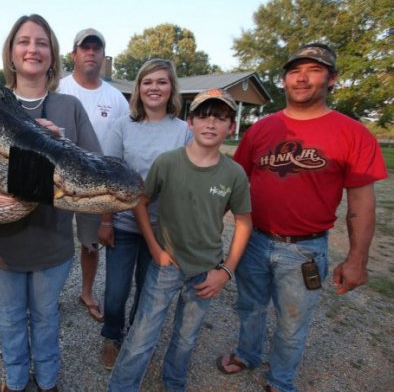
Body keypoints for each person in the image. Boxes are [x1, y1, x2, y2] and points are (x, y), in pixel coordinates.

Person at [216, 43, 388, 392]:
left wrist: (357, 259)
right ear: (284, 80)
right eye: (295, 71)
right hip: (254, 241)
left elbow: (361, 203)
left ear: (333, 79)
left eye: (313, 70)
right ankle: (247, 353)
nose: (302, 78)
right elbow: (233, 185)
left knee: (292, 323)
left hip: (305, 251)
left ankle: (280, 380)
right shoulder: (262, 129)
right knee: (249, 307)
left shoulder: (352, 133)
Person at [0, 14, 101, 392]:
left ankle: (47, 382)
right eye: (24, 41)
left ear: (53, 54)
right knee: (10, 318)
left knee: (46, 316)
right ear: (11, 54)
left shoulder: (69, 109)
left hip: (51, 242)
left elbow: (93, 171)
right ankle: (15, 382)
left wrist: (59, 144)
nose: (33, 49)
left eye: (42, 42)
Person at [107, 89, 253, 392]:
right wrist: (155, 248)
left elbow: (244, 222)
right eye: (203, 116)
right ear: (190, 122)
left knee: (186, 337)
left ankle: (173, 383)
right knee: (142, 335)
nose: (211, 124)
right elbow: (140, 202)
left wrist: (225, 271)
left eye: (221, 118)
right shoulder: (168, 163)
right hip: (166, 265)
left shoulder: (234, 174)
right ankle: (121, 387)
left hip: (206, 270)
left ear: (232, 127)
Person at [97, 59, 192, 370]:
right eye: (148, 81)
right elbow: (109, 178)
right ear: (138, 88)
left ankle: (135, 341)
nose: (154, 88)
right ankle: (112, 335)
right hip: (123, 225)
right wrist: (106, 220)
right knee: (115, 293)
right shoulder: (123, 126)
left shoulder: (183, 132)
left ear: (171, 89)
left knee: (147, 292)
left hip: (163, 230)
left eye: (162, 82)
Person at [58, 28, 129, 323]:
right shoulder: (57, 89)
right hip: (58, 183)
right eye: (84, 47)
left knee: (91, 243)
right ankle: (49, 296)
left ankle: (86, 292)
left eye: (95, 48)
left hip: (95, 189)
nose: (90, 52)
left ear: (103, 55)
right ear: (74, 54)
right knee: (54, 241)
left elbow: (124, 144)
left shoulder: (116, 99)